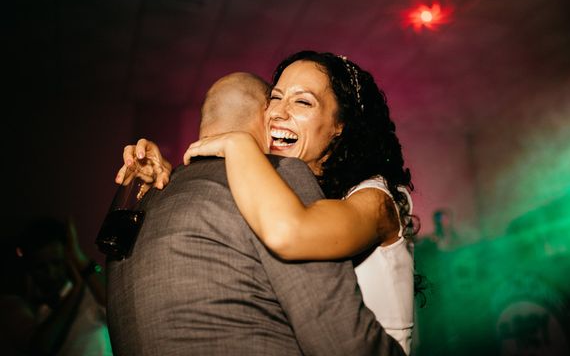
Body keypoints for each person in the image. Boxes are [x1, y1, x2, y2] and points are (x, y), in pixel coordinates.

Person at [119, 51, 418, 353]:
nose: (277, 112)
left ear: (340, 125)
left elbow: (289, 232)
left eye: (302, 101)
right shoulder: (291, 188)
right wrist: (166, 181)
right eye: (275, 98)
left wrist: (237, 142)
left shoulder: (375, 198)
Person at [5, 217, 112, 356]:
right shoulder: (31, 313)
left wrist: (80, 258)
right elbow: (40, 347)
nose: (51, 273)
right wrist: (77, 287)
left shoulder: (91, 293)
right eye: (41, 267)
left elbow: (114, 301)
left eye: (56, 263)